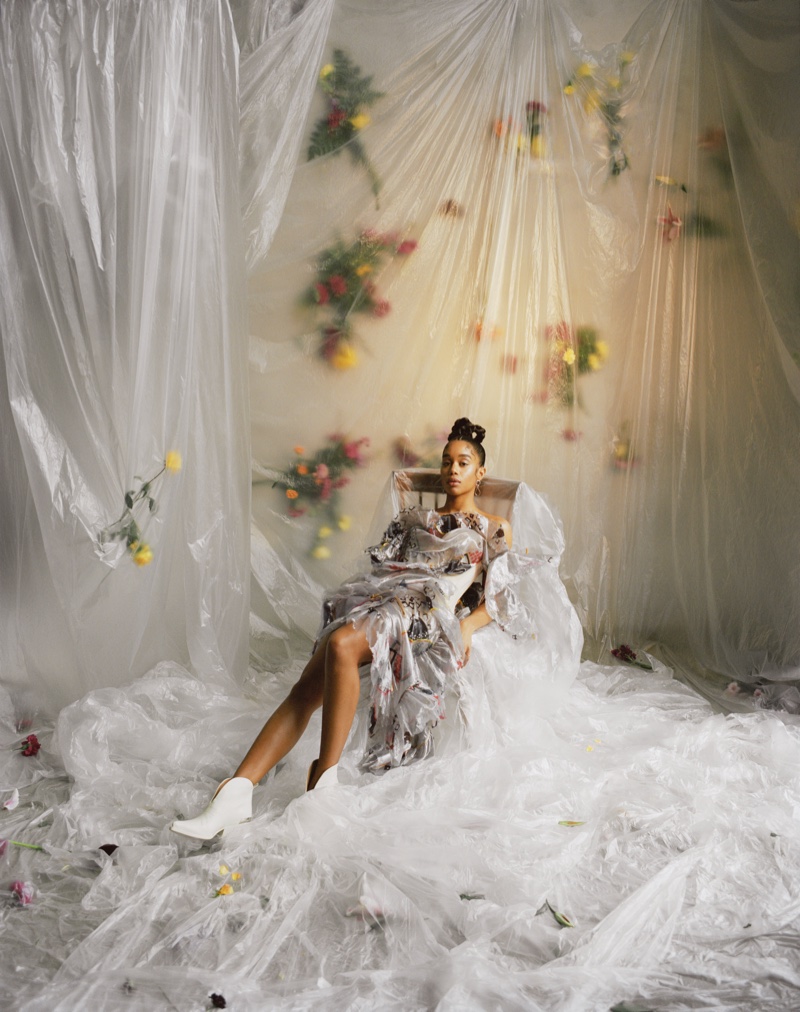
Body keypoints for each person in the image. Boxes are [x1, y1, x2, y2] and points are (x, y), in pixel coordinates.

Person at [170, 417, 514, 840]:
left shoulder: (494, 528)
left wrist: (466, 627)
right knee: (308, 685)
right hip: (384, 596)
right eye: (446, 462)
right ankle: (234, 795)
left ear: (481, 473)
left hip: (427, 612)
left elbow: (499, 597)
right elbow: (383, 568)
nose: (452, 470)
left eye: (463, 462)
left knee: (342, 645)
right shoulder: (412, 517)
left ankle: (321, 783)